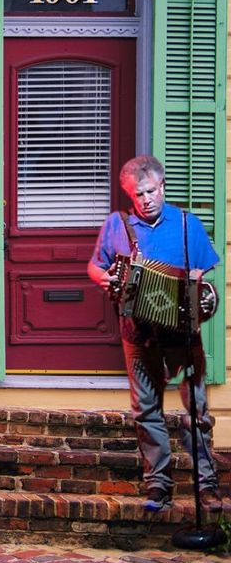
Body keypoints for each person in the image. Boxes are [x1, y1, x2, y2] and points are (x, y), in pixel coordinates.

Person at [88, 155, 222, 513]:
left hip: (182, 334)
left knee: (196, 410)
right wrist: (105, 279)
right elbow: (95, 266)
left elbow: (202, 278)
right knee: (147, 410)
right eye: (137, 195)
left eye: (150, 192)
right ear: (129, 195)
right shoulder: (117, 225)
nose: (145, 200)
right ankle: (158, 485)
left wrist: (193, 285)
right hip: (137, 332)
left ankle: (206, 485)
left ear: (162, 187)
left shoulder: (185, 225)